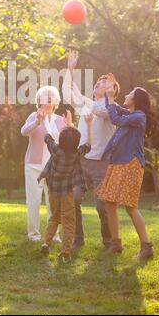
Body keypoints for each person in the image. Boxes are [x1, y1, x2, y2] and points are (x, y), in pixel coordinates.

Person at [62, 51, 120, 250]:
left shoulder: (112, 108)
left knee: (101, 206)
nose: (98, 83)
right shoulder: (87, 106)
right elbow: (69, 92)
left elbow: (101, 111)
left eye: (104, 82)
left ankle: (108, 240)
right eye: (98, 81)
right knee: (74, 199)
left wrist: (85, 98)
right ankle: (78, 237)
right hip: (81, 162)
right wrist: (70, 69)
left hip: (101, 164)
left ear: (111, 90)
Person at [96, 83, 157, 259]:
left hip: (130, 163)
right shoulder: (131, 114)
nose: (127, 95)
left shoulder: (139, 116)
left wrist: (110, 97)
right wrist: (111, 96)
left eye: (130, 93)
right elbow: (115, 110)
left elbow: (116, 119)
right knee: (110, 203)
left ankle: (146, 247)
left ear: (136, 99)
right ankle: (116, 244)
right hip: (118, 162)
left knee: (130, 207)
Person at [39, 112, 93, 263]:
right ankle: (66, 252)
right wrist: (88, 125)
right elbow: (88, 145)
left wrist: (45, 120)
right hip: (67, 192)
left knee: (54, 218)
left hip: (53, 191)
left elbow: (47, 136)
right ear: (76, 143)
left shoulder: (55, 150)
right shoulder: (76, 154)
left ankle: (46, 242)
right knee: (68, 221)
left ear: (61, 139)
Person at [21, 86, 67, 242]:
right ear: (39, 100)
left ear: (55, 101)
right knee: (33, 200)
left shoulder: (61, 120)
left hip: (54, 167)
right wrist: (37, 122)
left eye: (51, 96)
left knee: (53, 202)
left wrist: (70, 127)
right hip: (34, 166)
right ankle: (33, 234)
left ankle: (54, 234)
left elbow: (67, 142)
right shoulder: (34, 115)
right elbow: (24, 131)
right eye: (44, 96)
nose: (48, 99)